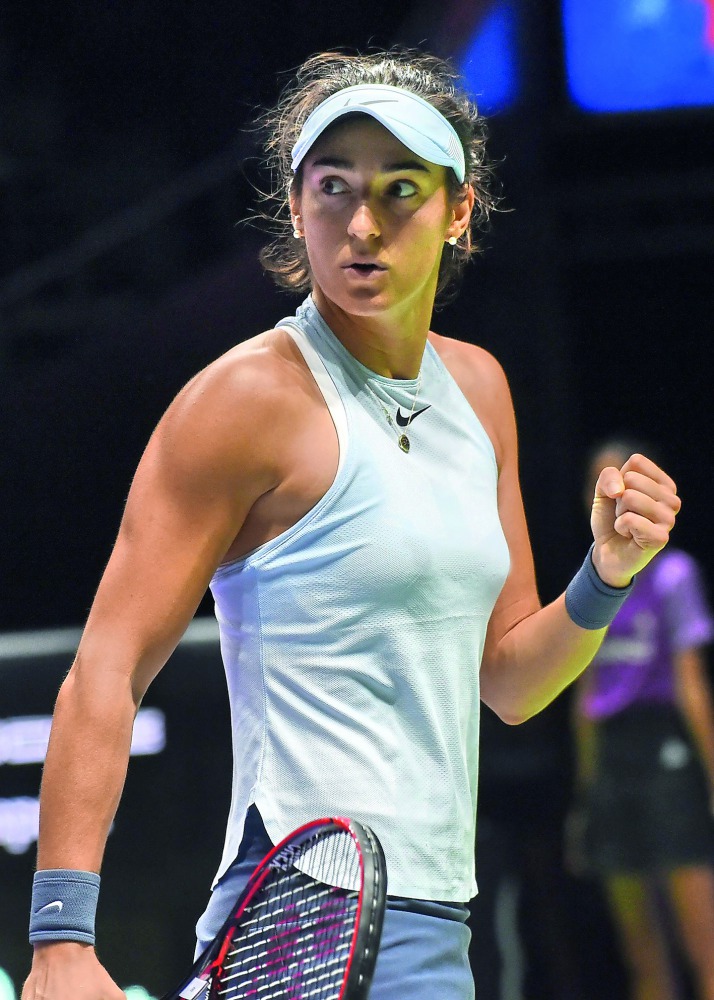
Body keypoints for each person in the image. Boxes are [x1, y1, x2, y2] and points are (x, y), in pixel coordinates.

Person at [22, 49, 681, 1000]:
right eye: (333, 188)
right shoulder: (241, 402)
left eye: (400, 190)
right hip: (298, 904)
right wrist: (60, 941)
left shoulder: (482, 390)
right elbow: (106, 672)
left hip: (433, 911)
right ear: (296, 208)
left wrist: (606, 575)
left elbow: (510, 684)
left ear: (459, 212)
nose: (362, 225)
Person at [570, 439, 714, 1000]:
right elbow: (583, 694)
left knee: (702, 947)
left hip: (668, 757)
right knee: (642, 957)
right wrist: (586, 793)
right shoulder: (589, 579)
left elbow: (691, 684)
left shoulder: (674, 574)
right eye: (596, 484)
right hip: (613, 760)